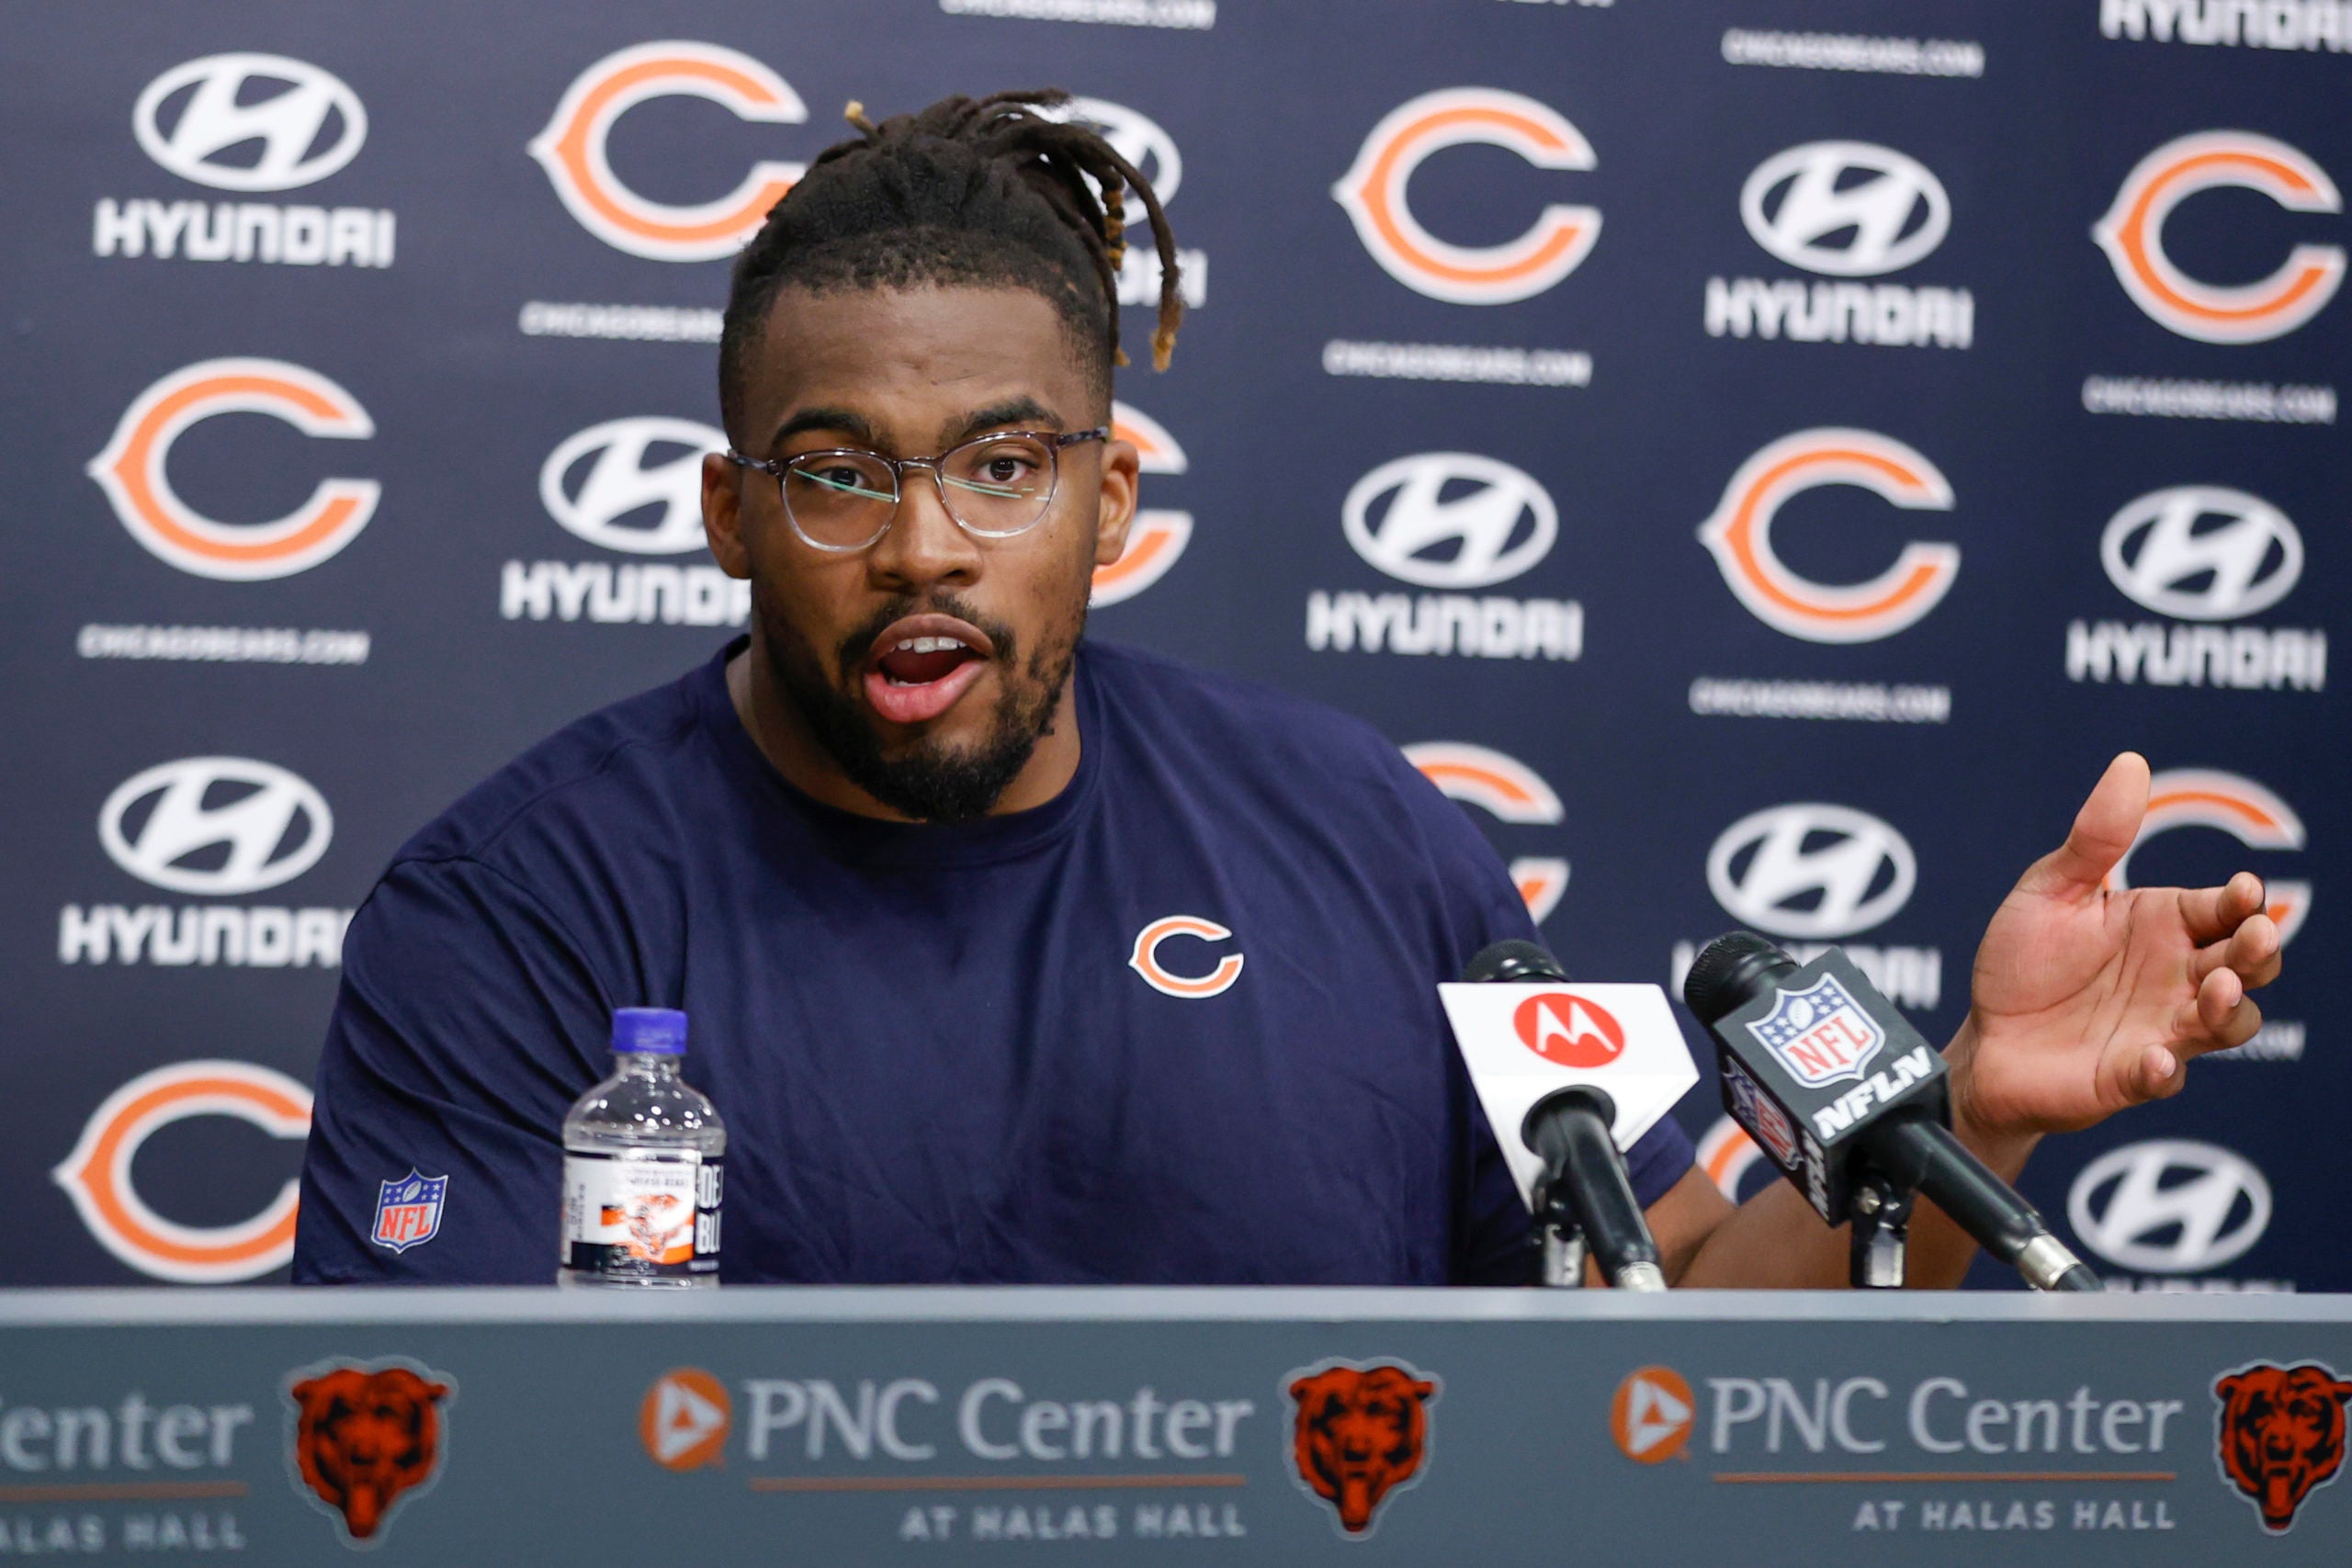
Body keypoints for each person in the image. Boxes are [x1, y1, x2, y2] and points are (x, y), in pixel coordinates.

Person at [290, 91, 2281, 1287]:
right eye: (837, 473)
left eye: (1000, 464)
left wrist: (1976, 1115)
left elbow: (1671, 1306)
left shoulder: (1359, 835)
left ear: (1109, 495)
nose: (920, 549)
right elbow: (444, 1456)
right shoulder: (514, 914)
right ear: (731, 509)